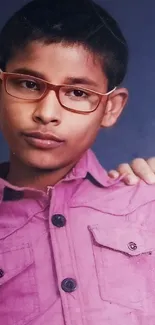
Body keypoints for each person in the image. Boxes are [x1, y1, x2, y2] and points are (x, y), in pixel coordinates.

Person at [0, 0, 155, 324]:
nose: (46, 113)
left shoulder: (145, 202)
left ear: (111, 108)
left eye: (77, 93)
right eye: (28, 84)